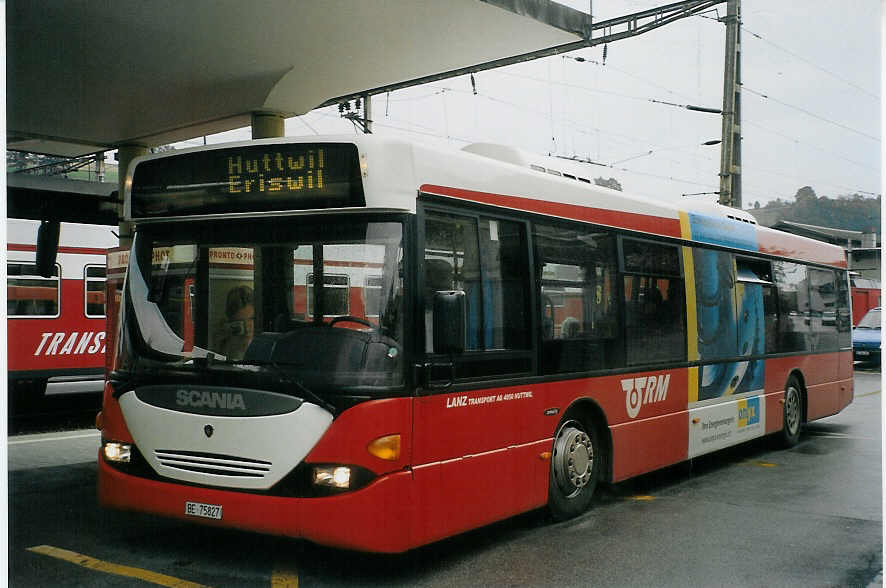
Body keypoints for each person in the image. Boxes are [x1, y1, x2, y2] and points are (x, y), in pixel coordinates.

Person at [217, 285, 254, 360]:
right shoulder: (227, 348)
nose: (247, 328)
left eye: (251, 319)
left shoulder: (264, 344)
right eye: (240, 322)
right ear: (231, 323)